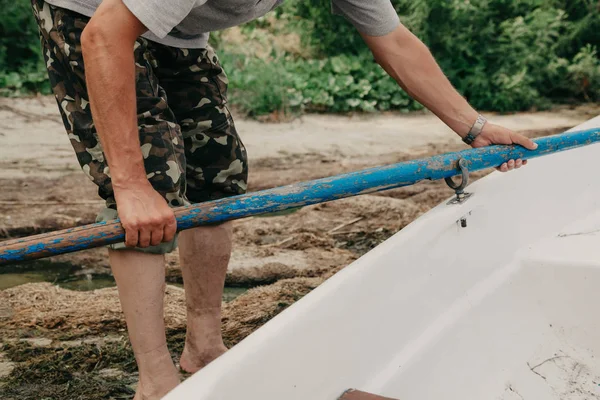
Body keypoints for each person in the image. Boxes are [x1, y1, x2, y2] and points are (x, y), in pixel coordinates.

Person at [30, 0, 537, 398]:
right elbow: (105, 34)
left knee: (220, 173)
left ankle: (203, 347)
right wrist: (131, 186)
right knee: (154, 183)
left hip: (176, 30)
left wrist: (474, 127)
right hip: (90, 17)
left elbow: (394, 40)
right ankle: (155, 383)